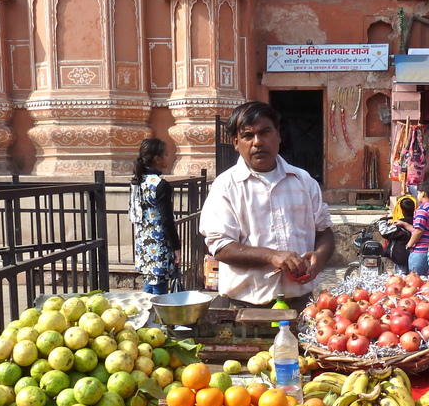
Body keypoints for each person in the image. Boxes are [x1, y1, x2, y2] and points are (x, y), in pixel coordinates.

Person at [198, 101, 335, 311]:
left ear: (278, 136)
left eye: (265, 132)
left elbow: (324, 232)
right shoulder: (226, 187)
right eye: (247, 136)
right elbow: (222, 248)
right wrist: (272, 256)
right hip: (246, 307)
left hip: (301, 304)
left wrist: (320, 257)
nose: (258, 142)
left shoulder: (303, 181)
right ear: (236, 142)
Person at [129, 138, 181, 295]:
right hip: (158, 243)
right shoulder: (160, 185)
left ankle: (149, 317)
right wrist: (176, 246)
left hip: (143, 242)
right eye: (165, 154)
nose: (168, 157)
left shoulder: (137, 181)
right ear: (157, 159)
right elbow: (167, 220)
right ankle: (158, 318)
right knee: (159, 288)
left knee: (150, 283)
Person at [405, 180, 429, 275]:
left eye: (418, 192)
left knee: (416, 281)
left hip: (420, 251)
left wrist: (409, 245)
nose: (417, 195)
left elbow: (419, 231)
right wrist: (405, 225)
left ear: (423, 194)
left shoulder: (422, 210)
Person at [379, 194, 416, 274]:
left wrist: (383, 220)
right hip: (414, 257)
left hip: (401, 258)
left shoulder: (399, 224)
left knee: (401, 280)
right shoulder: (418, 222)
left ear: (402, 210)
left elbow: (384, 232)